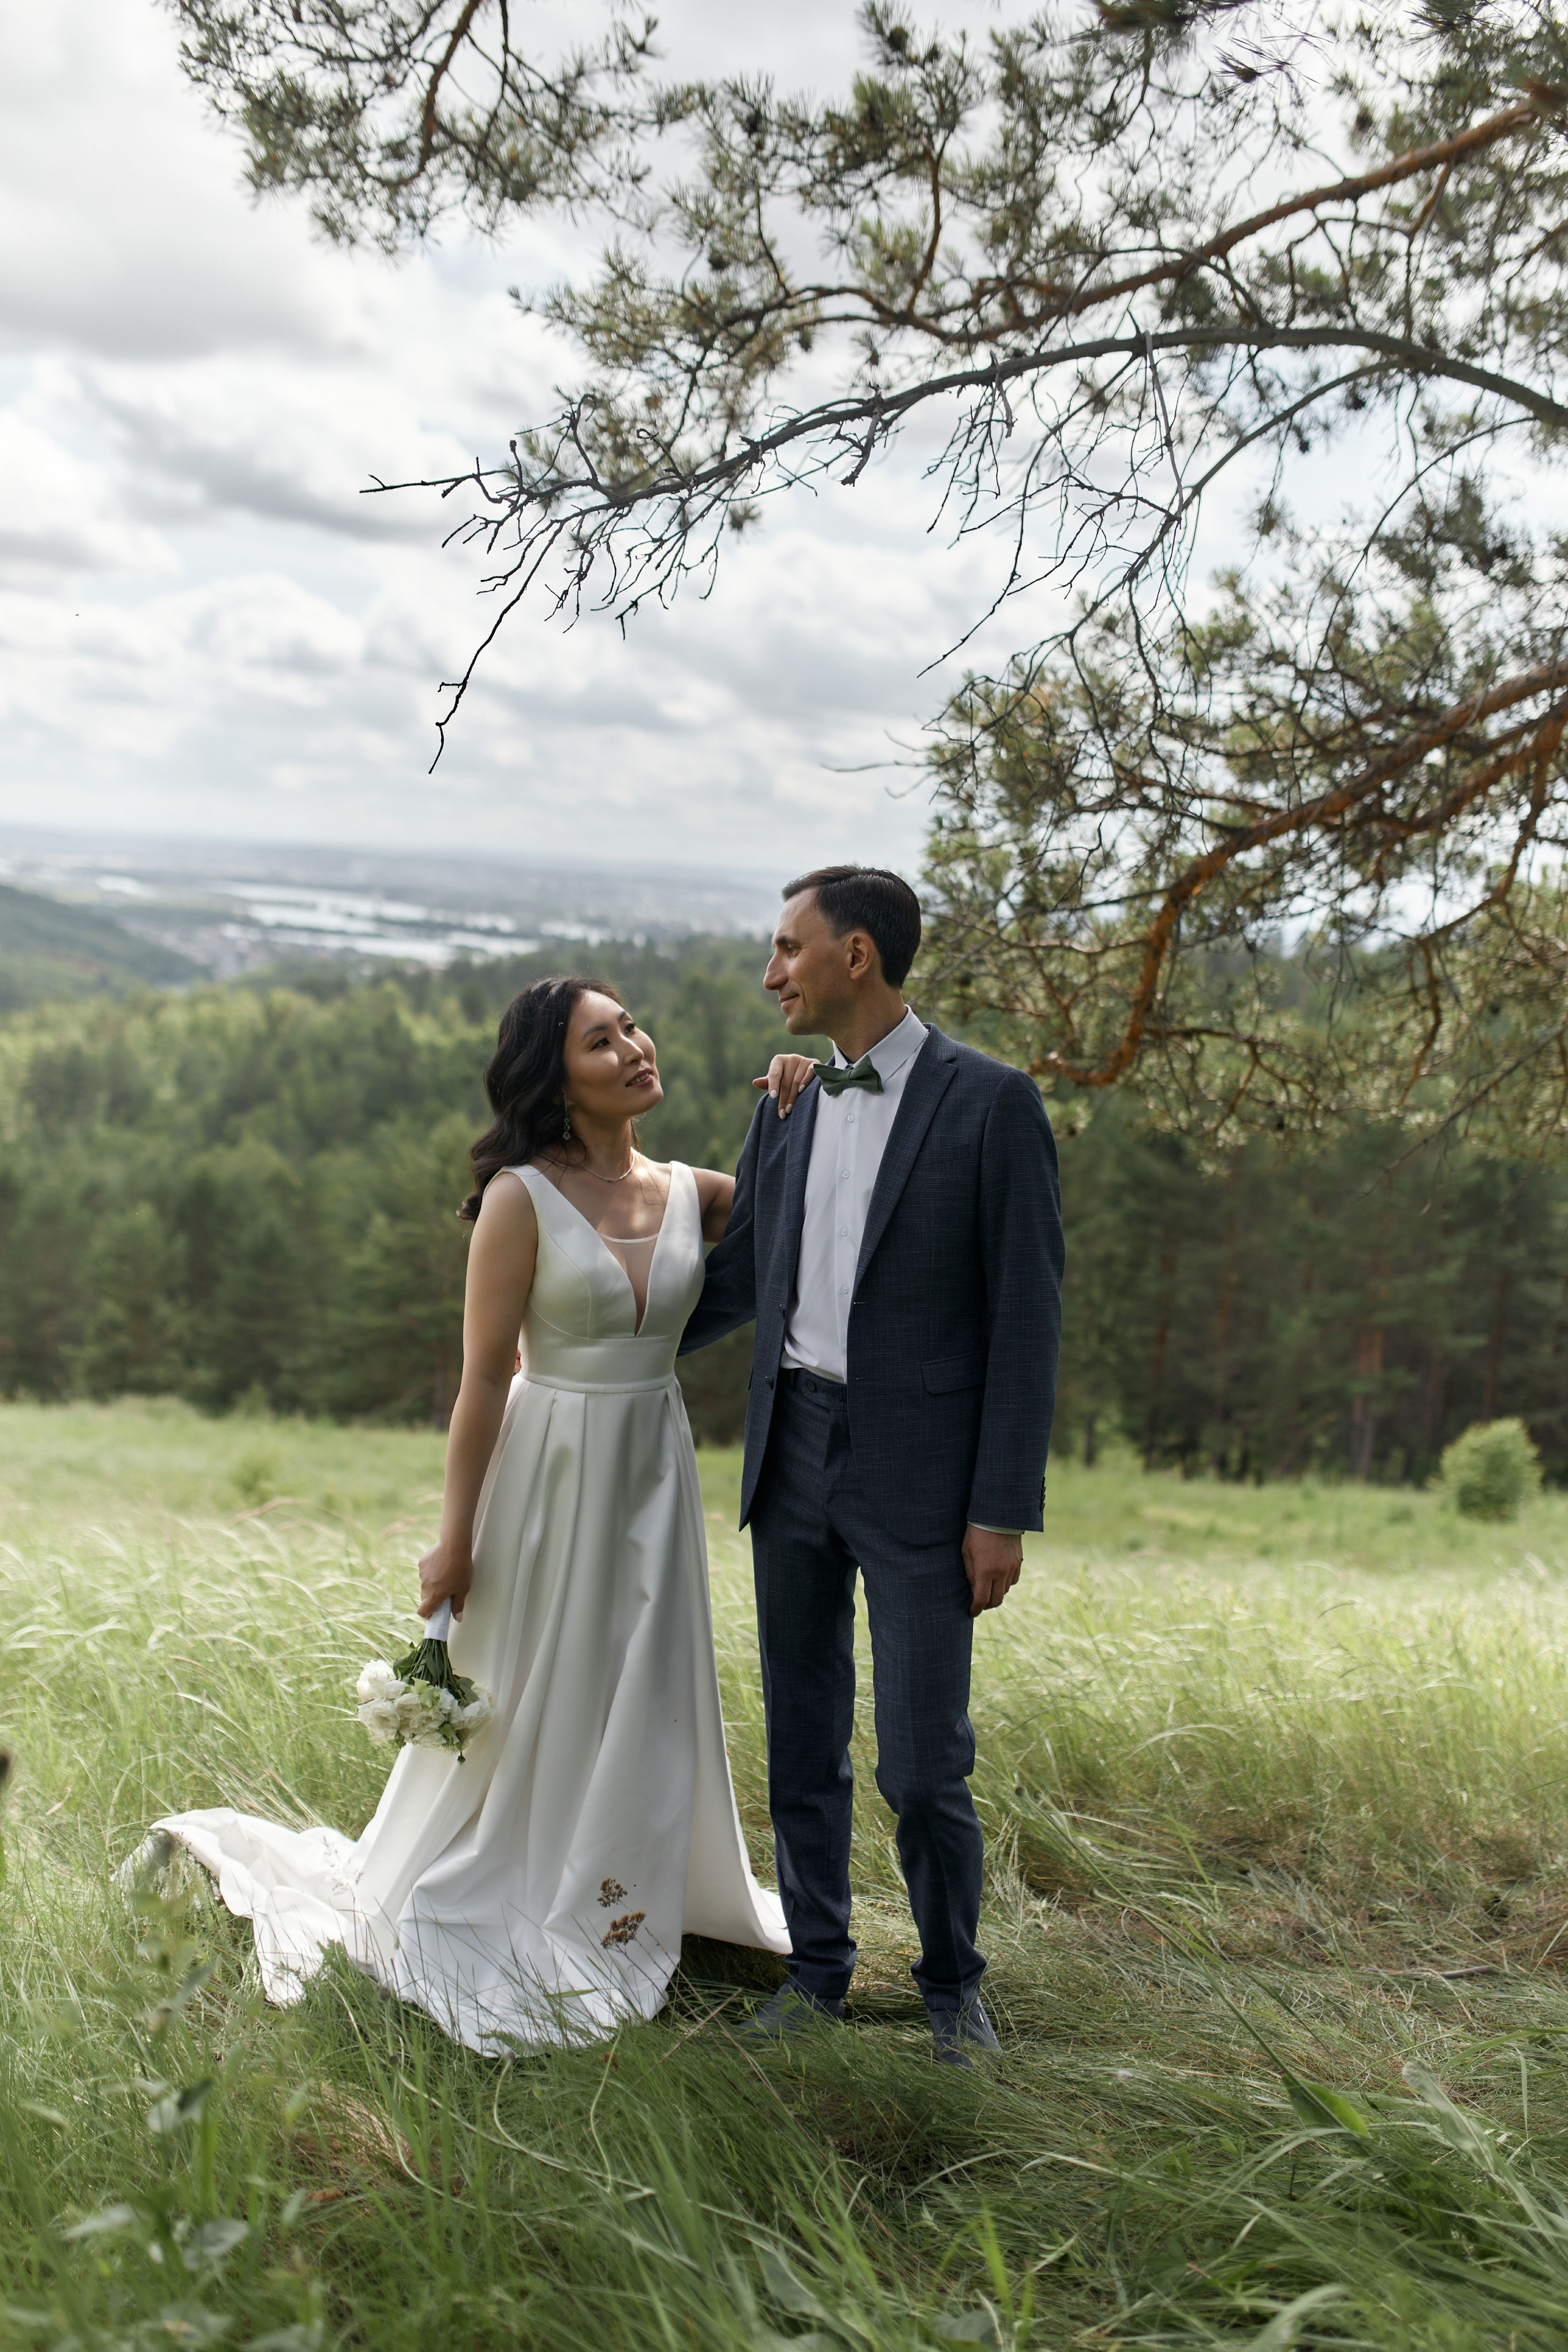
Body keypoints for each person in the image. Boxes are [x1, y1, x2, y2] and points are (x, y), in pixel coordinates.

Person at [124, 979, 817, 2052]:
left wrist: (795, 1094)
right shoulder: (519, 1199)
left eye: (631, 1026)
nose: (635, 1047)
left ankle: (633, 1881)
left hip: (653, 1462)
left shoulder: (690, 1190)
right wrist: (456, 1537)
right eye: (602, 1040)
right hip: (544, 1470)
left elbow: (800, 1201)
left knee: (646, 1670)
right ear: (556, 1077)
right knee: (543, 1676)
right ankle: (523, 1878)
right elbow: (483, 1382)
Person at [680, 867, 1064, 2066]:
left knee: (920, 1760)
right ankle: (817, 1975)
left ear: (856, 956)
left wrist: (998, 1507)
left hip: (922, 1478)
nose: (770, 972)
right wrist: (588, 1342)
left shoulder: (990, 1104)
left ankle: (954, 1990)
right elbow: (740, 1274)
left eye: (787, 948)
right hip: (788, 1446)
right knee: (802, 1736)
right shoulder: (784, 1101)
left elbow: (1026, 1321)